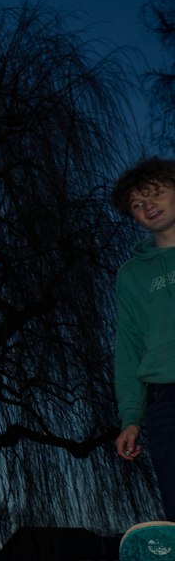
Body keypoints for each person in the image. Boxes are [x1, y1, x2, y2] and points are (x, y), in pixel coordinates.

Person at [111, 156, 175, 521]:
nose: (147, 206)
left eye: (155, 194)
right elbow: (129, 349)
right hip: (166, 398)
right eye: (137, 204)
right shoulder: (131, 276)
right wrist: (131, 419)